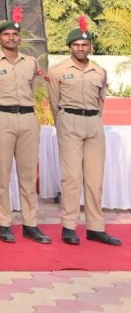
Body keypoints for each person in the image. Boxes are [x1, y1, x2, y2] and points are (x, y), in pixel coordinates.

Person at [0, 8, 51, 244]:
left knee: (28, 175)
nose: (11, 38)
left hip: (28, 118)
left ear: (19, 38)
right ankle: (4, 223)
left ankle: (30, 223)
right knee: (1, 174)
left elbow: (32, 90)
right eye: (6, 35)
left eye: (14, 35)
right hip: (1, 118)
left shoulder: (30, 62)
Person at [48, 16, 121, 246]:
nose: (80, 48)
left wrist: (94, 120)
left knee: (95, 179)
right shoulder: (58, 70)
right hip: (69, 120)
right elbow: (53, 101)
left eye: (84, 45)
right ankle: (69, 226)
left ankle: (95, 227)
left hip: (93, 124)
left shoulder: (99, 71)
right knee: (71, 178)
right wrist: (63, 122)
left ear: (90, 46)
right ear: (70, 47)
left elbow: (101, 101)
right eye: (76, 45)